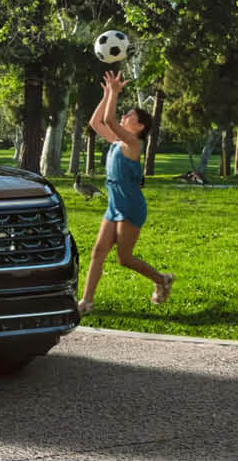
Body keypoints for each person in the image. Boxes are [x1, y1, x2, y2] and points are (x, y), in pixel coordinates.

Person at [77, 71, 175, 314]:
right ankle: (86, 303)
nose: (123, 116)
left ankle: (162, 279)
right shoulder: (116, 142)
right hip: (114, 205)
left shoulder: (132, 144)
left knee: (124, 258)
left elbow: (110, 121)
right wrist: (106, 94)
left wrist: (115, 92)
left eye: (129, 115)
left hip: (130, 207)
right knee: (98, 252)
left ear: (139, 126)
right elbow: (96, 123)